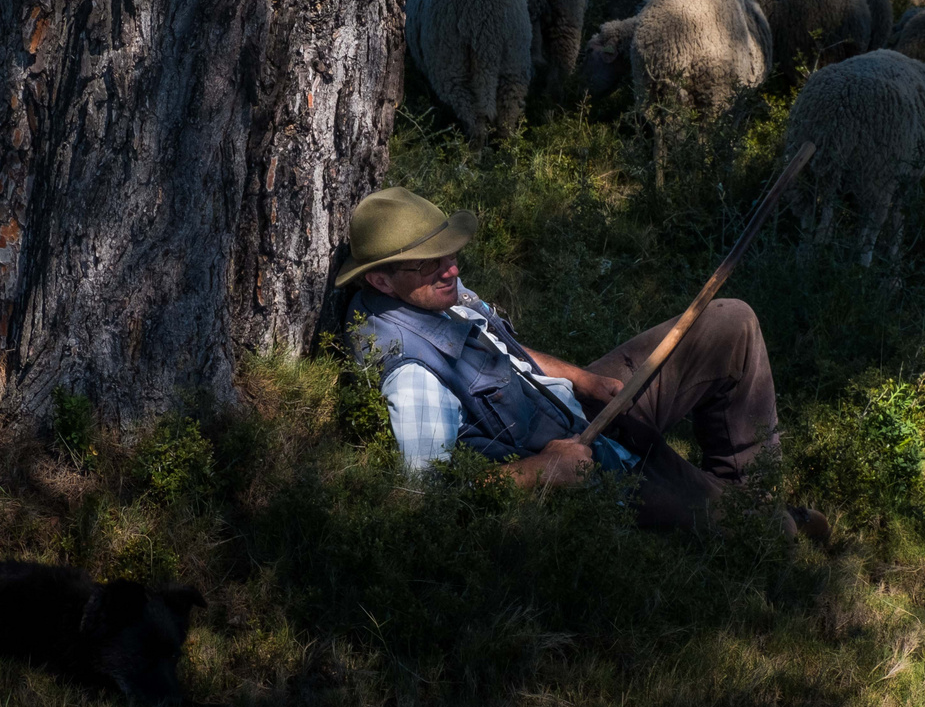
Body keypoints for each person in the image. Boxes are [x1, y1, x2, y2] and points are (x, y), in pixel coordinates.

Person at [339, 186, 828, 541]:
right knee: (769, 532)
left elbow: (508, 349)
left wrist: (586, 380)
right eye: (430, 262)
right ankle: (765, 522)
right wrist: (541, 472)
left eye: (449, 252)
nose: (453, 269)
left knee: (731, 321)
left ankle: (751, 490)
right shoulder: (412, 376)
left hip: (576, 407)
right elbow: (430, 497)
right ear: (380, 282)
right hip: (586, 466)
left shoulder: (429, 293)